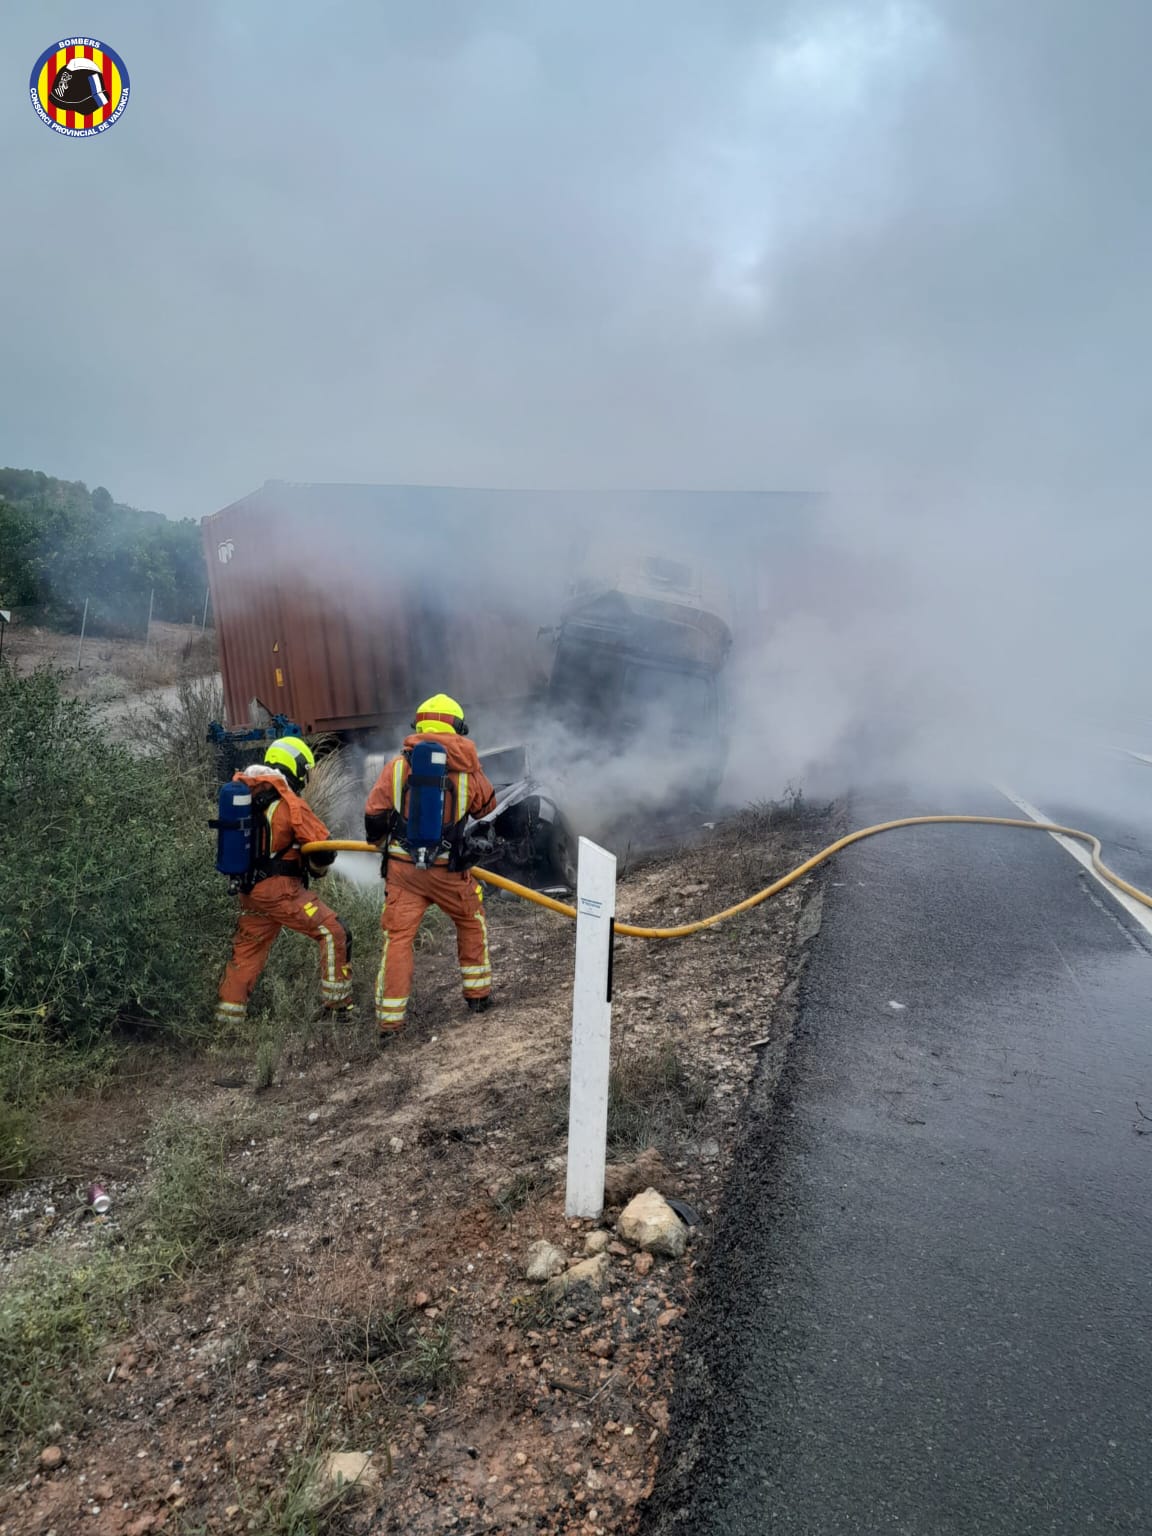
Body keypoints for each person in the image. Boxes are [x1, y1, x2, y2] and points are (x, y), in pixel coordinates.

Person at [364, 693, 497, 1038]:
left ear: (419, 726)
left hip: (404, 872)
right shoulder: (467, 769)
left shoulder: (397, 768)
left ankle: (389, 1022)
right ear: (458, 727)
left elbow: (374, 814)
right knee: (470, 921)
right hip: (449, 871)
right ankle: (478, 997)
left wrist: (380, 846)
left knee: (398, 939)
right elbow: (486, 807)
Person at [215, 737, 352, 1028]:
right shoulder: (290, 803)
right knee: (333, 932)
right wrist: (317, 865)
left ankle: (227, 1023)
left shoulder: (248, 795)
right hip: (281, 893)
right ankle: (338, 1009)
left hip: (250, 891)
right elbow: (323, 847)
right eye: (306, 770)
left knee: (247, 953)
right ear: (297, 767)